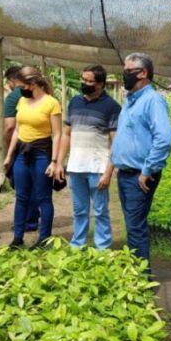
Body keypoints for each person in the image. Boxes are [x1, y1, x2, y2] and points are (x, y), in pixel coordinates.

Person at [110, 53, 171, 273]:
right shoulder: (130, 101)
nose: (124, 75)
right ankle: (135, 271)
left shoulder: (152, 100)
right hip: (127, 173)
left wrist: (147, 171)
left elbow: (164, 139)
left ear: (143, 73)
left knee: (136, 228)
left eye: (128, 71)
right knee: (132, 225)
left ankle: (141, 278)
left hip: (140, 176)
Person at [56, 64, 121, 249]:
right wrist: (60, 162)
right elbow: (66, 134)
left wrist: (108, 172)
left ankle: (102, 248)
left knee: (100, 211)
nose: (84, 83)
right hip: (76, 167)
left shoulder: (112, 106)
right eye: (83, 79)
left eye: (89, 81)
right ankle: (78, 244)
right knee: (79, 210)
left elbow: (115, 142)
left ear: (100, 84)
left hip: (97, 168)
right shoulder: (75, 102)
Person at [2, 66, 63, 249]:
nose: (20, 89)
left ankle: (44, 239)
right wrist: (9, 155)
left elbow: (57, 134)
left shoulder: (51, 103)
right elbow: (18, 130)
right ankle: (17, 238)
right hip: (22, 153)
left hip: (42, 153)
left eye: (22, 85)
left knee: (43, 197)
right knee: (21, 196)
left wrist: (54, 161)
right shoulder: (21, 101)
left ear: (33, 84)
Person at [4, 66, 39, 232]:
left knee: (22, 188)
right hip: (41, 146)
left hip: (21, 146)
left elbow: (10, 127)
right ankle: (32, 219)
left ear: (12, 80)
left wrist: (8, 151)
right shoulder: (44, 94)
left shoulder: (13, 97)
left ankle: (26, 222)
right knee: (36, 185)